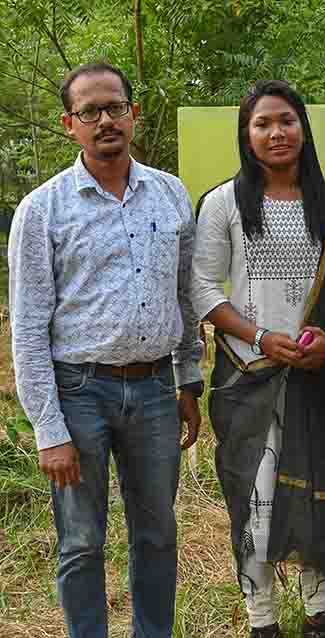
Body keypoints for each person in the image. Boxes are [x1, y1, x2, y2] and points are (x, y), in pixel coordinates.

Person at [192, 80, 325, 638]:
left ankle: (318, 614)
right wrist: (260, 338)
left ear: (303, 127)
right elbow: (202, 289)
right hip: (248, 376)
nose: (276, 132)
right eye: (262, 123)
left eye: (285, 120)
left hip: (321, 375)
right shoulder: (221, 204)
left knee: (316, 491)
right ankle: (262, 619)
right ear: (246, 135)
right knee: (255, 500)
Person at [8, 62, 204, 638]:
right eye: (89, 112)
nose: (105, 120)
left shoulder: (169, 195)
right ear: (70, 125)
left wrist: (188, 378)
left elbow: (185, 295)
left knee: (157, 533)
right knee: (81, 540)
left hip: (152, 391)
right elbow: (27, 327)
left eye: (115, 107)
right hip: (78, 393)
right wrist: (49, 429)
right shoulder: (41, 211)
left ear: (133, 114)